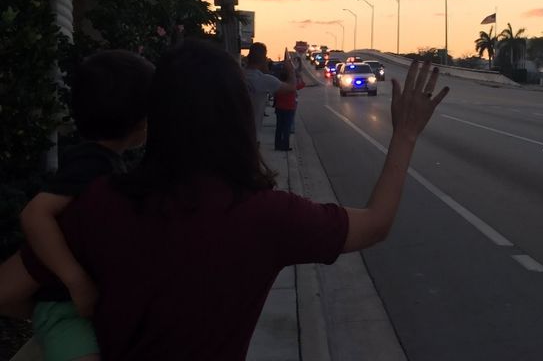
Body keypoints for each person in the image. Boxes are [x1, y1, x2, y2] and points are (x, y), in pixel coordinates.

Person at [12, 40, 449, 359]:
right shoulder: (266, 216)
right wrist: (405, 135)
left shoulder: (98, 202)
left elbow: (8, 293)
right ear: (239, 113)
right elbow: (375, 223)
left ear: (155, 116)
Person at [0, 50, 155, 361]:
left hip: (69, 305)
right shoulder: (92, 165)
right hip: (64, 309)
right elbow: (35, 214)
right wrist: (76, 280)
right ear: (140, 123)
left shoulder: (101, 162)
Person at [244, 42, 295, 136]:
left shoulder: (238, 75)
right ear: (263, 59)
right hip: (251, 136)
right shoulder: (265, 80)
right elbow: (291, 87)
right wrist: (291, 70)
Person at [273, 56, 305, 151]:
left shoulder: (278, 85)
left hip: (279, 107)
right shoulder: (292, 86)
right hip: (289, 108)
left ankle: (277, 145)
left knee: (279, 127)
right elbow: (302, 84)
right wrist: (299, 77)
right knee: (286, 127)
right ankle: (285, 145)